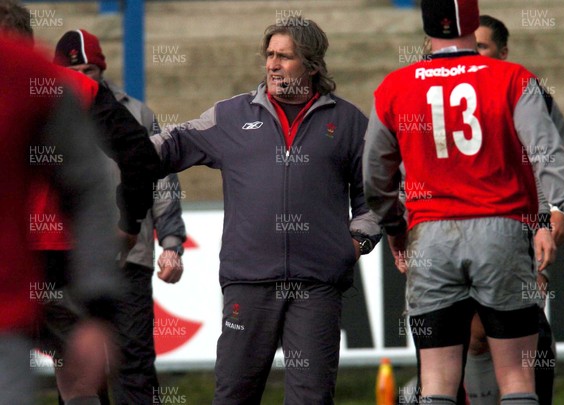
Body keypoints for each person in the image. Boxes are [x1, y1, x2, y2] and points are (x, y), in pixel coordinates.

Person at [363, 1, 564, 405]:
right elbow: (547, 153)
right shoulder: (513, 78)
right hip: (502, 231)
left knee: (435, 381)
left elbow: (374, 171)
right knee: (517, 377)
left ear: (425, 26)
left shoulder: (395, 85)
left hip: (431, 237)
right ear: (474, 21)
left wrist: (393, 228)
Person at [149, 17, 381, 404]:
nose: (272, 65)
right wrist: (117, 145)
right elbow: (166, 147)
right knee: (233, 395)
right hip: (247, 283)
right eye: (269, 55)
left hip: (316, 286)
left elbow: (376, 193)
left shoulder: (349, 121)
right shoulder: (230, 116)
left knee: (311, 399)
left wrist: (356, 242)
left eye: (284, 57)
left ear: (312, 65)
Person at [53, 29, 187, 404]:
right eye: (73, 70)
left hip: (131, 255)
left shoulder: (137, 112)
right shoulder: (51, 114)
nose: (80, 78)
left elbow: (162, 180)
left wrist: (172, 242)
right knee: (78, 364)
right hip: (72, 257)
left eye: (88, 70)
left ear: (102, 69)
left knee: (134, 363)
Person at [0, 34, 120, 405]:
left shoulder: (30, 74)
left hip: (18, 298)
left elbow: (89, 185)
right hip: (45, 264)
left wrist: (98, 299)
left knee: (78, 379)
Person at [465, 15, 564, 405]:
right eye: (469, 45)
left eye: (482, 46)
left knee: (527, 327)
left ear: (503, 52)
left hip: (524, 227)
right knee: (473, 335)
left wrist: (559, 208)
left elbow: (555, 155)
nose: (474, 54)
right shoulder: (439, 93)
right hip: (456, 232)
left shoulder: (529, 92)